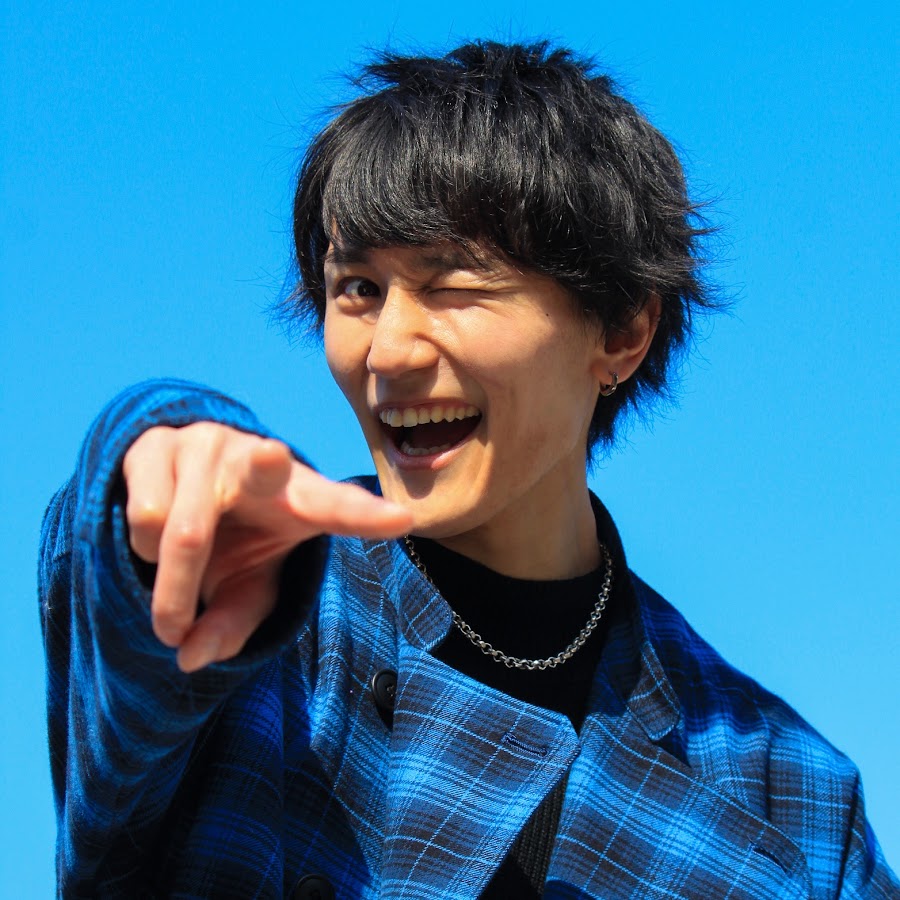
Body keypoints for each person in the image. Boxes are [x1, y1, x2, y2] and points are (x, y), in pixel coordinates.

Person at [39, 40, 897, 899]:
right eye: (357, 288)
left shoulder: (795, 803)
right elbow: (119, 610)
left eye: (453, 283)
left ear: (622, 332)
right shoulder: (276, 602)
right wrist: (156, 467)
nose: (388, 352)